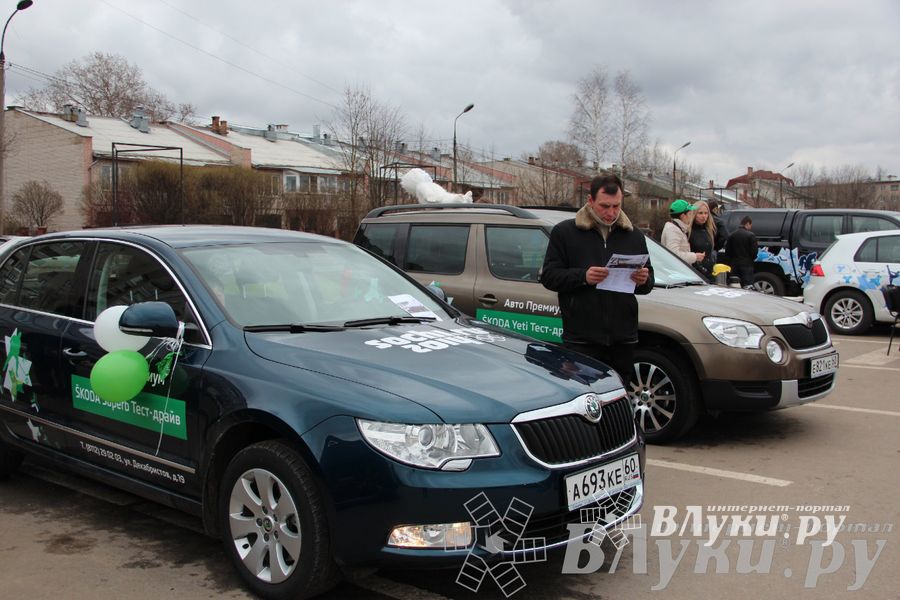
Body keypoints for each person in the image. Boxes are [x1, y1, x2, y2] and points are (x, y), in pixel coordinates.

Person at [541, 174, 654, 383]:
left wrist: (643, 279)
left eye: (616, 206)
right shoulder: (565, 232)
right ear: (590, 201)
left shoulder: (633, 235)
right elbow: (549, 276)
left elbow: (648, 282)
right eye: (604, 206)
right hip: (582, 338)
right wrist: (583, 276)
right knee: (585, 398)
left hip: (623, 338)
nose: (611, 212)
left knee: (619, 396)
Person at [661, 199, 705, 267]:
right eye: (690, 214)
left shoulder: (678, 228)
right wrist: (695, 256)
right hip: (676, 273)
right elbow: (673, 254)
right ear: (683, 216)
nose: (691, 216)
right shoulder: (672, 229)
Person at [725, 215, 758, 288]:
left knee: (734, 285)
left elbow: (727, 252)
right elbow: (754, 252)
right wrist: (751, 259)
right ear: (748, 224)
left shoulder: (732, 235)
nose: (751, 227)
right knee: (748, 286)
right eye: (750, 225)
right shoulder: (751, 235)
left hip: (734, 265)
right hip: (747, 265)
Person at [688, 200, 718, 279]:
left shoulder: (709, 230)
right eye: (700, 213)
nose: (704, 216)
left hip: (710, 273)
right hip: (695, 273)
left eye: (706, 213)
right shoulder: (688, 231)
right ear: (694, 214)